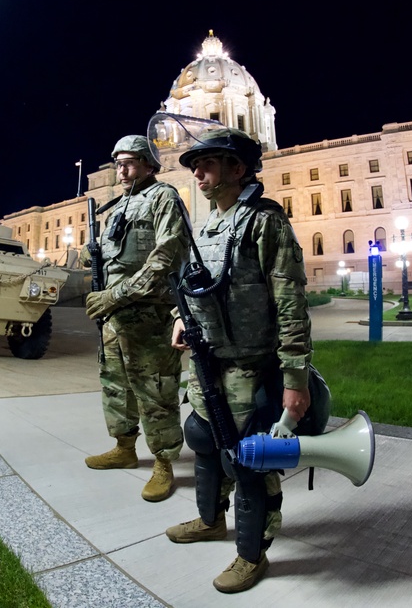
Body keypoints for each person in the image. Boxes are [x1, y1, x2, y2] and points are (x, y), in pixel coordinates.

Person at [165, 127, 311, 593]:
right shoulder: (207, 225)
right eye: (194, 165)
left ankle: (252, 554)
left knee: (248, 459)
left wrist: (295, 378)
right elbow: (192, 284)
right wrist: (178, 317)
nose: (197, 172)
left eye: (207, 163)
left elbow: (290, 302)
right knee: (201, 435)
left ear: (238, 168)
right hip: (209, 360)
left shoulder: (264, 221)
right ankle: (210, 520)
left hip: (250, 364)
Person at [83, 134, 190, 502]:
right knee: (116, 385)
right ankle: (125, 448)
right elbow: (117, 258)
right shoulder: (119, 206)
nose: (122, 169)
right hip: (115, 319)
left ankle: (163, 463)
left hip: (150, 316)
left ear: (149, 164)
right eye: (118, 163)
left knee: (155, 390)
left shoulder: (163, 198)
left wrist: (114, 295)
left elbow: (165, 258)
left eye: (129, 162)